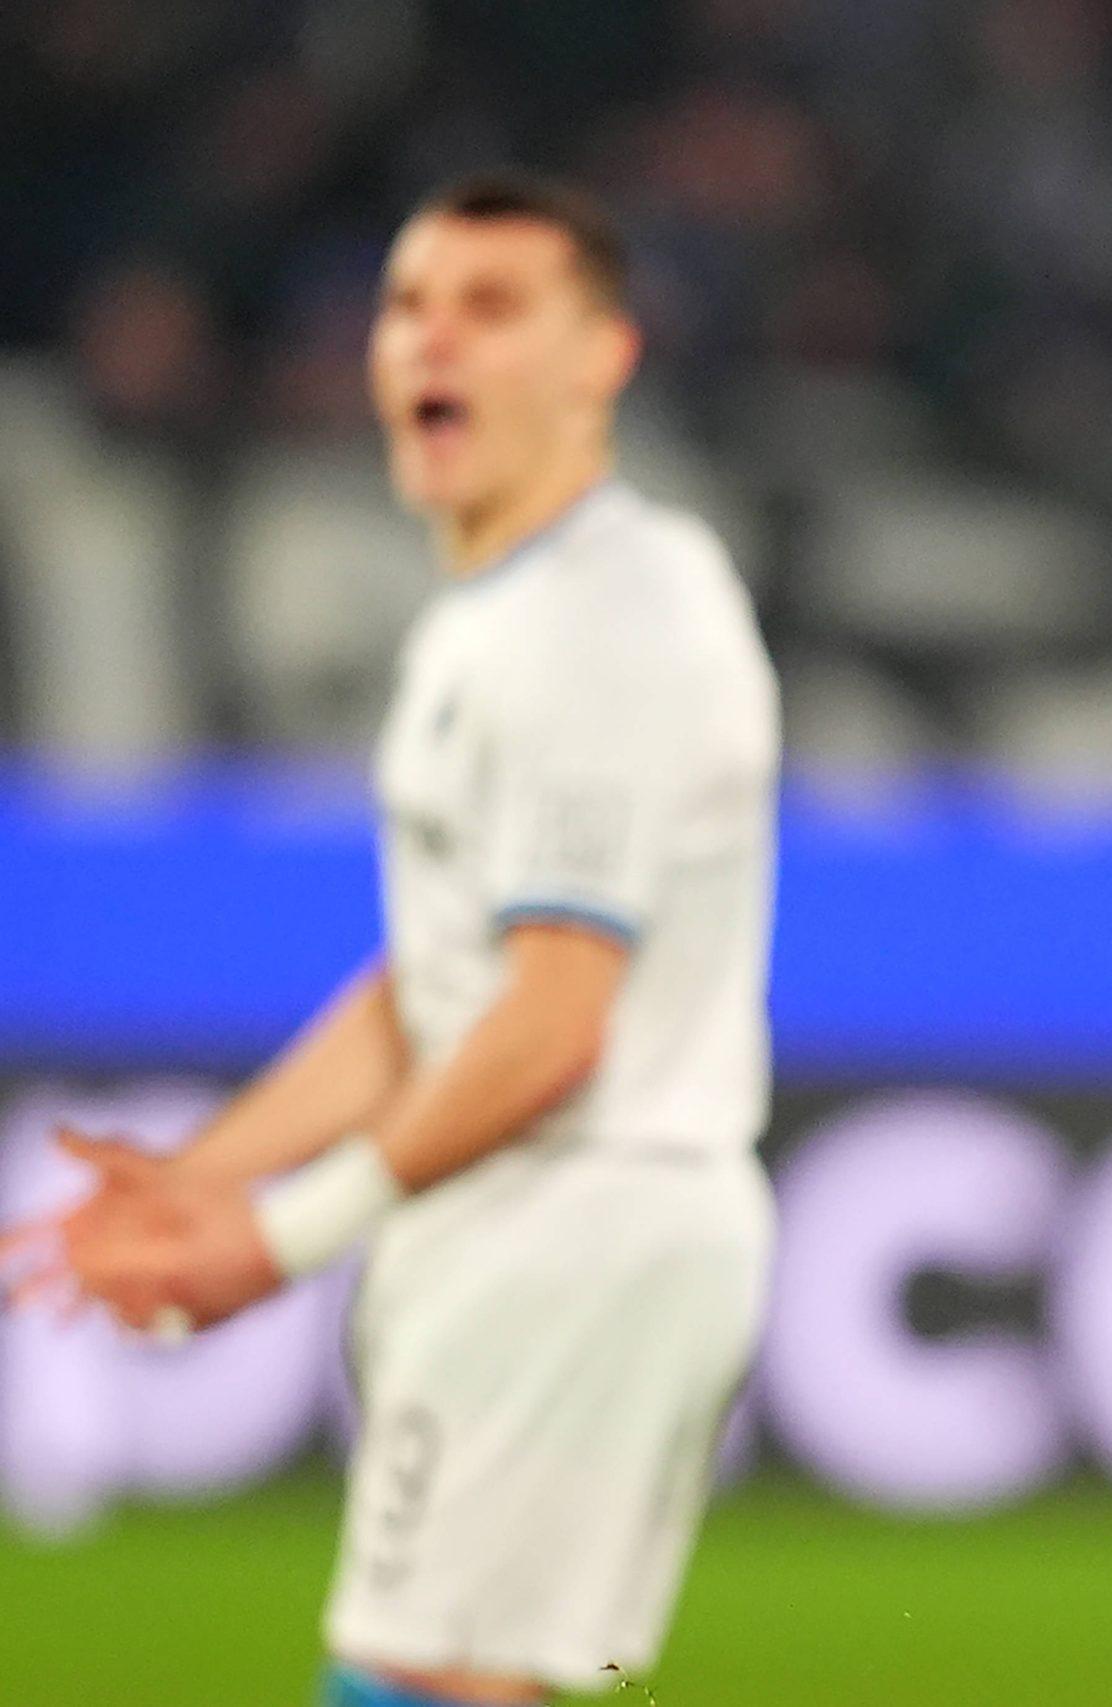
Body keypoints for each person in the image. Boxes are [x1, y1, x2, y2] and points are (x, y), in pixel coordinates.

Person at [2, 174, 779, 1707]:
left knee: (412, 1688)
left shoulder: (603, 620)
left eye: (493, 309)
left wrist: (278, 1237)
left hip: (571, 1225)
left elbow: (552, 1022)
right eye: (410, 305)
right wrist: (212, 1169)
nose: (435, 342)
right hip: (552, 1232)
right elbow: (440, 987)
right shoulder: (496, 614)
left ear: (599, 358)